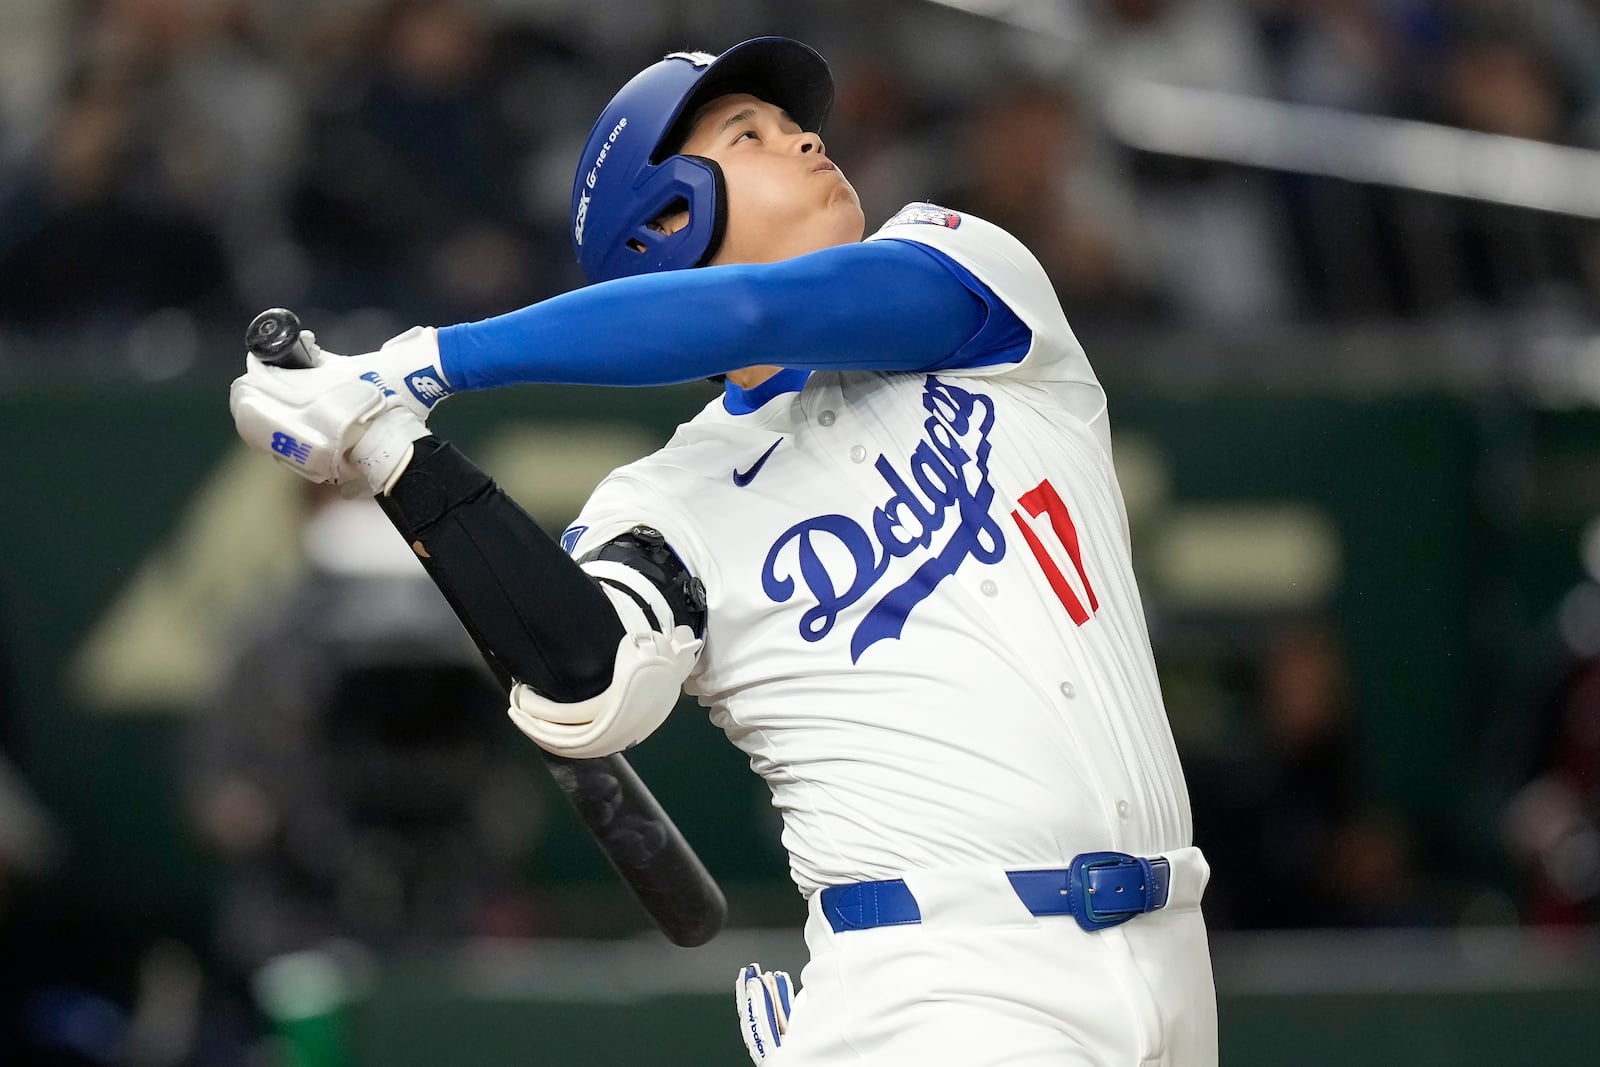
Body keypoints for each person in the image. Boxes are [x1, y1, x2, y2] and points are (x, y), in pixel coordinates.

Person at [228, 37, 1217, 1066]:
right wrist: (393, 450)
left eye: (793, 122)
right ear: (665, 222)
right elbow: (588, 683)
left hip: (1169, 946)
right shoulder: (665, 502)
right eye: (747, 133)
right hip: (940, 985)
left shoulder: (971, 272)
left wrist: (420, 364)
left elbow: (754, 311)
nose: (802, 135)